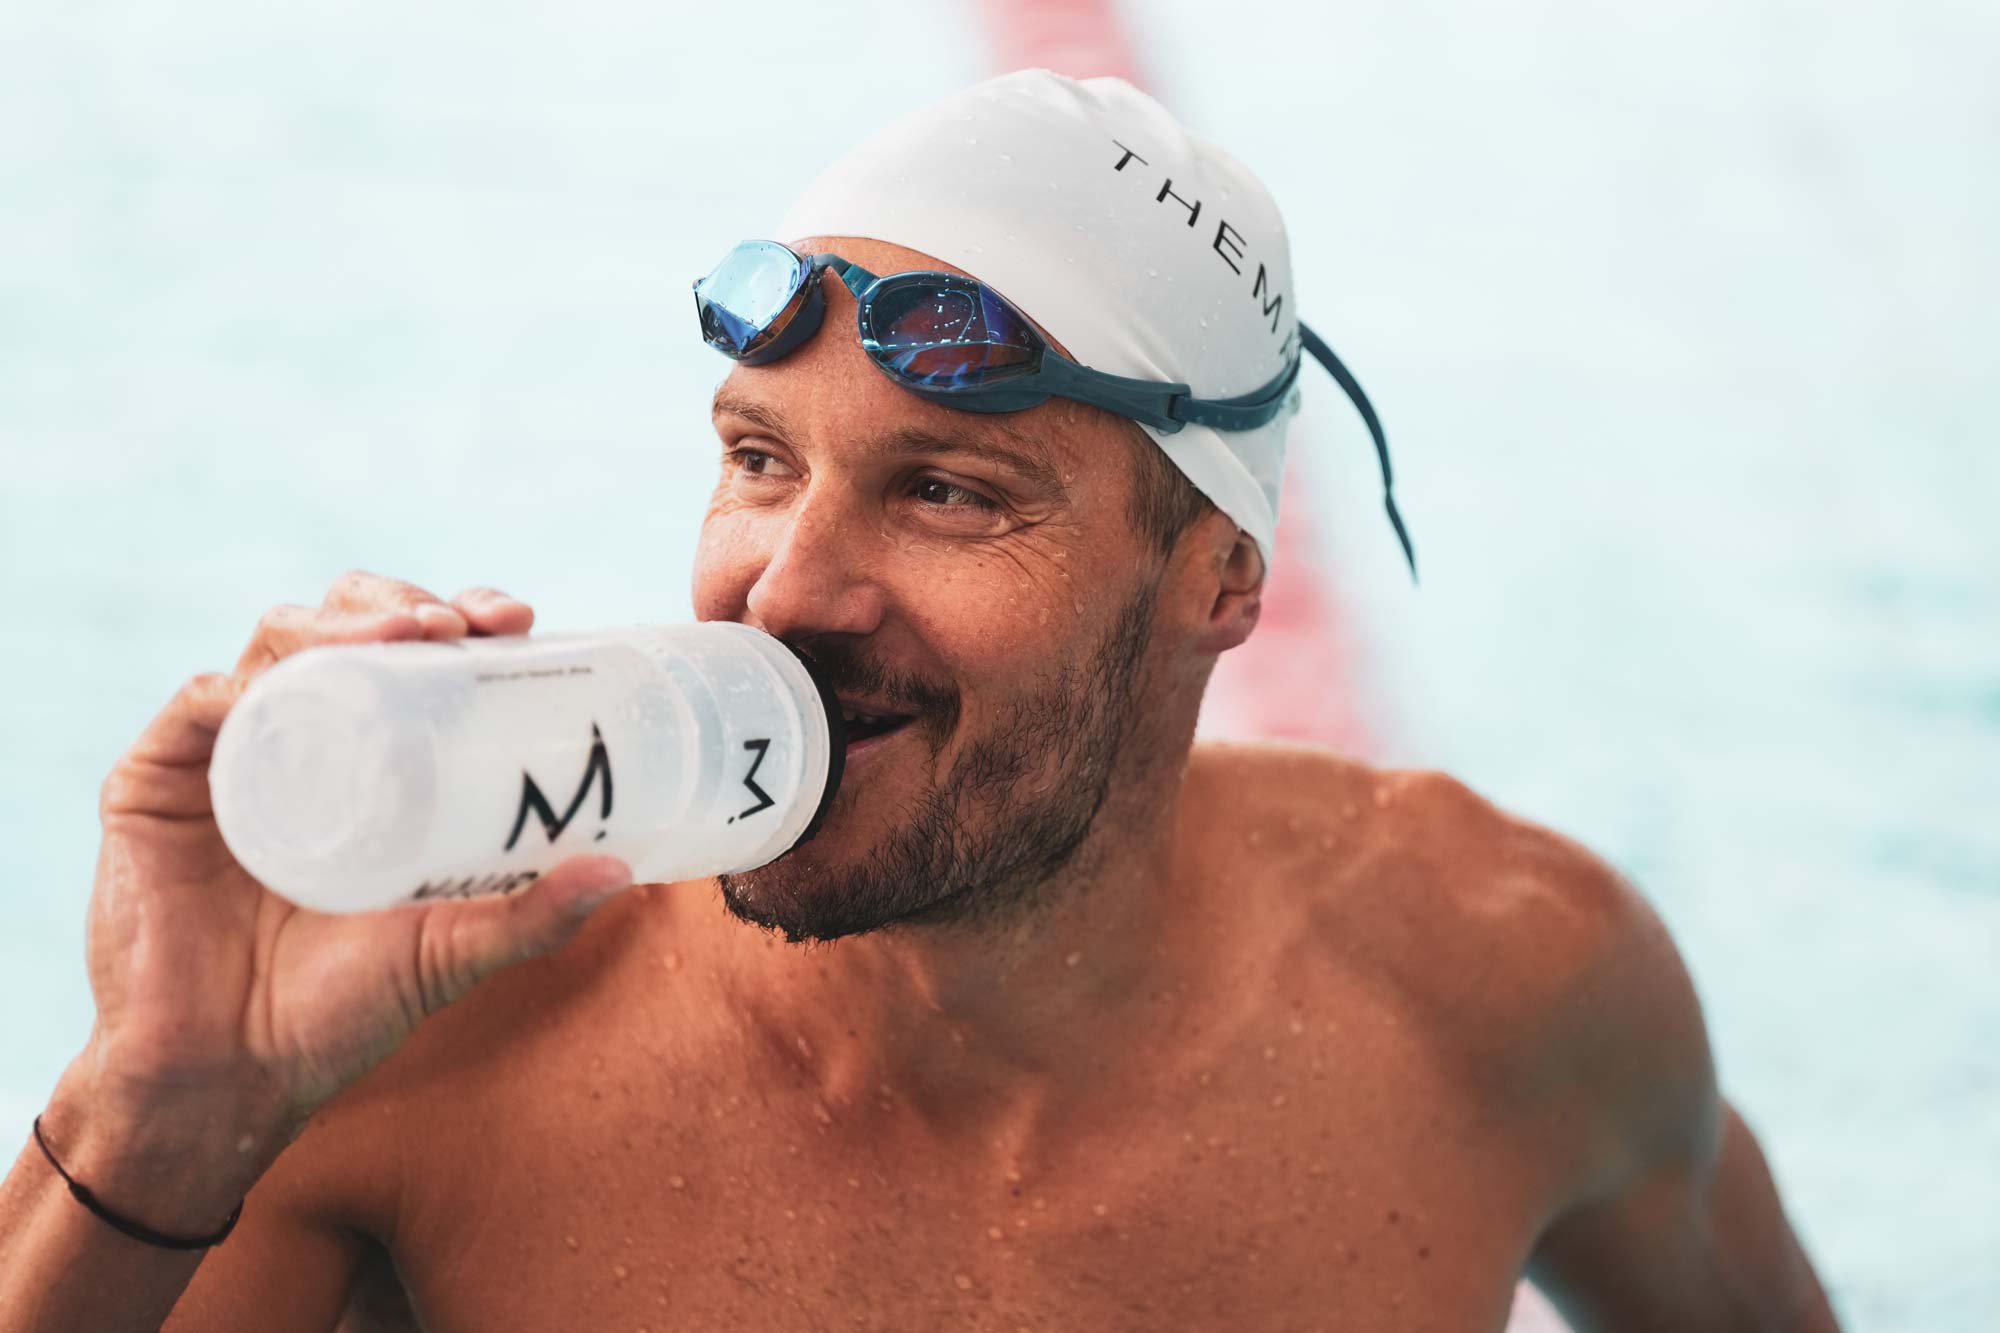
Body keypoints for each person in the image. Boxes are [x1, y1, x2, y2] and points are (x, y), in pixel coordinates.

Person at [0, 70, 1840, 1332]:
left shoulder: (1504, 984)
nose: (787, 588)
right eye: (756, 458)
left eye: (949, 489)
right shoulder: (409, 1041)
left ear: (1217, 581)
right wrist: (157, 1101)